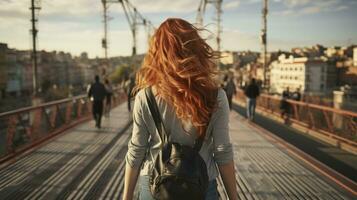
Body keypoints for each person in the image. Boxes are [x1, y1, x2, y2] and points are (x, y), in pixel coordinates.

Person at [123, 18, 237, 200]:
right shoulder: (216, 96)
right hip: (201, 186)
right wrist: (234, 197)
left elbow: (136, 151)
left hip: (154, 185)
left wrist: (126, 197)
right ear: (196, 49)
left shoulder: (145, 97)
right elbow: (222, 151)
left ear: (157, 53)